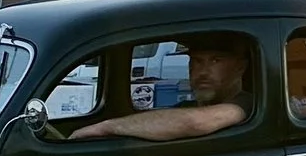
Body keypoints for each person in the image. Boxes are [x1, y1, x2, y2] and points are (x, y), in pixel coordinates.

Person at [72, 36, 251, 143]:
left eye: (215, 61)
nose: (202, 71)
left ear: (240, 68)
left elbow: (194, 123)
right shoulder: (186, 107)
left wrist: (106, 128)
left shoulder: (246, 104)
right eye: (196, 61)